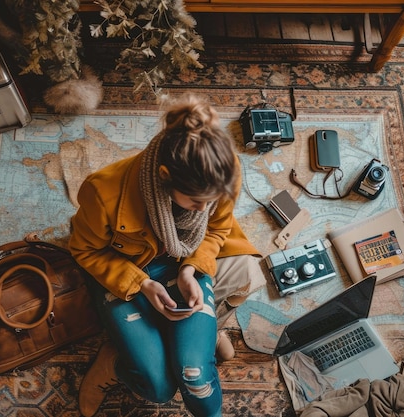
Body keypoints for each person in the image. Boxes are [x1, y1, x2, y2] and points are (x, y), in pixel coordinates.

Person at [69, 94, 262, 417]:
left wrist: (190, 269)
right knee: (159, 389)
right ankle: (114, 363)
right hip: (129, 269)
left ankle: (196, 340)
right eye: (196, 202)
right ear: (163, 176)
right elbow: (84, 250)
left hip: (187, 258)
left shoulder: (224, 170)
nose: (205, 209)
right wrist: (143, 284)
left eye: (211, 201)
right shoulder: (102, 193)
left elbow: (216, 228)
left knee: (196, 378)